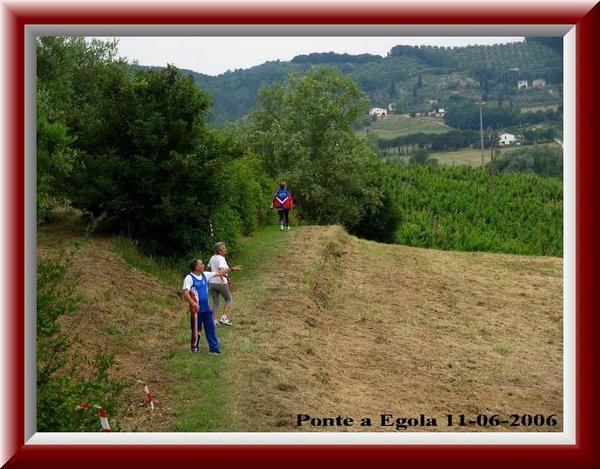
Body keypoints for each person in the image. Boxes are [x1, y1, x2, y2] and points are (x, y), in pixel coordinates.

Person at [182, 258, 234, 355]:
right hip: (196, 309)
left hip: (206, 308)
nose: (203, 265)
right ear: (196, 267)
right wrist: (192, 303)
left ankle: (214, 349)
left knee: (210, 327)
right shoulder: (189, 278)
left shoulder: (205, 275)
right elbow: (185, 291)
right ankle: (195, 348)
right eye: (201, 264)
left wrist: (231, 269)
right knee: (197, 329)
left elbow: (219, 272)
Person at [208, 242, 242, 326]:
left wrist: (210, 277)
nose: (226, 249)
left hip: (212, 283)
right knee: (229, 299)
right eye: (224, 248)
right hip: (221, 283)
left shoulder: (212, 258)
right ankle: (224, 317)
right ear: (219, 251)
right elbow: (221, 270)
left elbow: (208, 268)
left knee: (215, 302)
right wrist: (224, 279)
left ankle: (214, 321)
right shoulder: (221, 259)